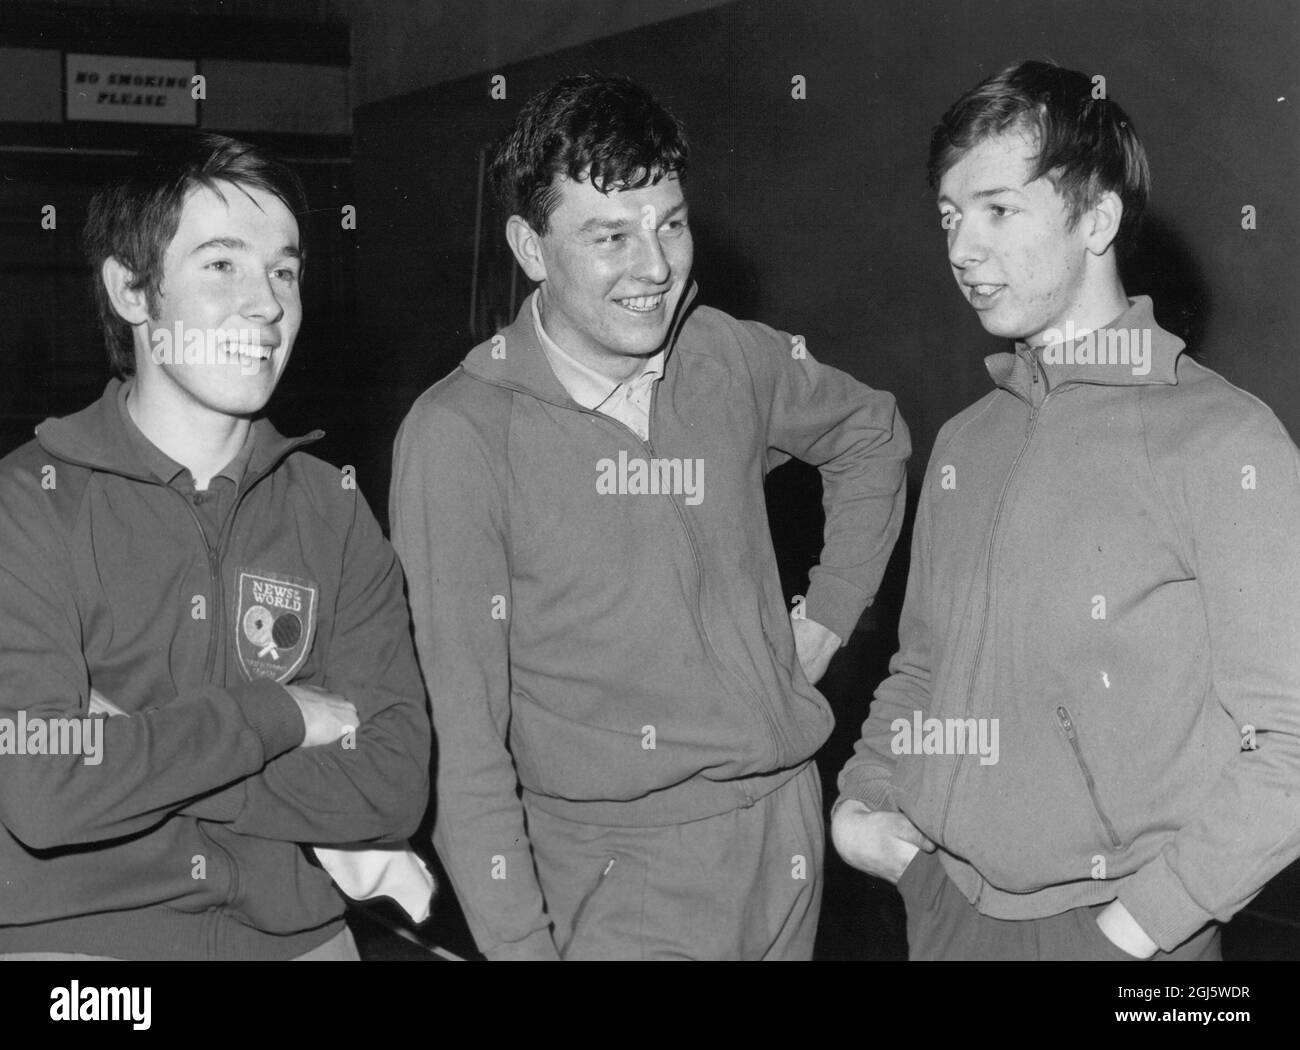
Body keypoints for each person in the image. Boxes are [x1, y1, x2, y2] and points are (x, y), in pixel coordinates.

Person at [391, 73, 910, 960]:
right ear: (528, 246)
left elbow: (873, 435)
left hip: (787, 834)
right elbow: (468, 751)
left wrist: (827, 619)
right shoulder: (459, 436)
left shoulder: (728, 355)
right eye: (610, 236)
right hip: (620, 877)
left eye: (669, 223)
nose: (657, 267)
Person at [832, 60, 1300, 960]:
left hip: (1123, 938)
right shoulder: (967, 442)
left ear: (1099, 218)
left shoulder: (1224, 441)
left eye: (999, 210)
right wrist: (866, 799)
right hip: (939, 904)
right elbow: (924, 667)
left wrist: (1136, 931)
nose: (962, 248)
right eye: (950, 216)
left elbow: (1285, 746)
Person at [0, 133, 430, 960]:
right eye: (222, 266)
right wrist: (281, 715)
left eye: (285, 270)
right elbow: (43, 787)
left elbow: (392, 787)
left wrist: (136, 744)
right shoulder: (29, 502)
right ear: (131, 290)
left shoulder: (331, 507)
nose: (266, 304)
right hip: (83, 948)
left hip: (297, 937)